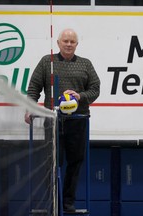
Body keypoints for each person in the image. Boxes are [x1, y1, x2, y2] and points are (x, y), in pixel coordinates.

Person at [24, 28, 100, 212]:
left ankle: (67, 202)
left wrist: (80, 96)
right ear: (58, 43)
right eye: (65, 41)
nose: (68, 44)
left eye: (72, 41)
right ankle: (52, 199)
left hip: (78, 121)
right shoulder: (46, 62)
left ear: (76, 44)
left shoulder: (85, 64)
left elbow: (95, 89)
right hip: (53, 120)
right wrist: (30, 107)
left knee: (75, 161)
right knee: (51, 162)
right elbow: (34, 87)